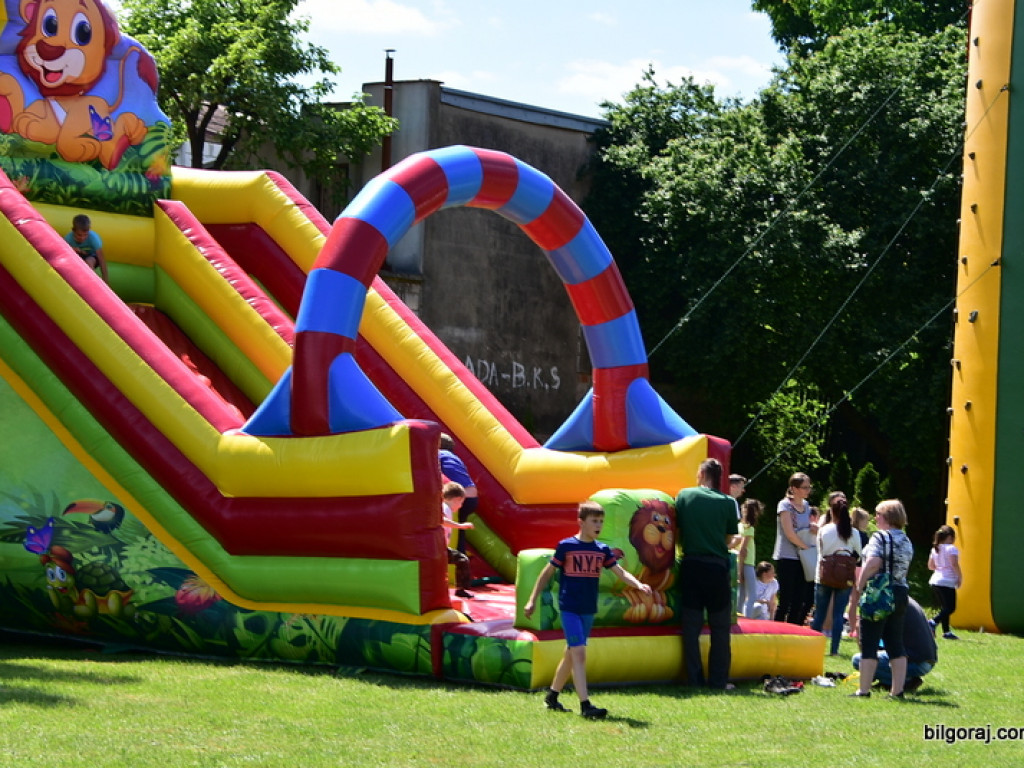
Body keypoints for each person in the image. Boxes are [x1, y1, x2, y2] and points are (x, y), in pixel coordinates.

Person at [523, 501, 651, 718]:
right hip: (570, 607)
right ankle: (585, 705)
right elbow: (546, 574)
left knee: (571, 654)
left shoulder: (601, 550)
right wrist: (532, 600)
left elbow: (620, 572)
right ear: (581, 522)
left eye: (601, 521)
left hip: (588, 609)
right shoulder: (567, 546)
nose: (598, 525)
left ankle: (552, 696)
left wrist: (638, 585)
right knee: (580, 653)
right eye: (594, 521)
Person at [675, 458, 739, 690]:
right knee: (720, 628)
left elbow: (678, 530)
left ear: (701, 473)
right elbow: (729, 538)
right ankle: (718, 680)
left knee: (691, 628)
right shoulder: (728, 502)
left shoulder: (684, 496)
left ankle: (694, 679)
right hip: (717, 567)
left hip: (691, 565)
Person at [850, 499, 914, 699]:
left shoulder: (880, 537)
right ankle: (897, 691)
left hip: (879, 592)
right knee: (895, 642)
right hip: (900, 591)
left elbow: (873, 562)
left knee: (869, 641)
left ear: (887, 517)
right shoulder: (906, 539)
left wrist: (860, 586)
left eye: (878, 514)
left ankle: (864, 690)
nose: (875, 518)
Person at [810, 493, 862, 655]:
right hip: (844, 577)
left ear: (831, 512)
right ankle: (835, 650)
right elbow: (859, 554)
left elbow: (821, 552)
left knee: (820, 612)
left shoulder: (824, 530)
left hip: (824, 575)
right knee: (839, 614)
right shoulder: (853, 532)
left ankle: (814, 647)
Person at [853, 597, 937, 692]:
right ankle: (894, 682)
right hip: (927, 659)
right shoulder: (901, 598)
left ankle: (904, 682)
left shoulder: (880, 601)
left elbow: (869, 647)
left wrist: (859, 628)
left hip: (915, 662)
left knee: (857, 660)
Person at [772, 472, 817, 625]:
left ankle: (793, 631)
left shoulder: (806, 506)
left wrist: (813, 528)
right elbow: (790, 534)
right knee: (785, 600)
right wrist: (807, 548)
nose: (808, 490)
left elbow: (805, 528)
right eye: (805, 487)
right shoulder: (784, 505)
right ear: (794, 488)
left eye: (809, 487)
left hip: (803, 559)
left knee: (799, 600)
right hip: (787, 557)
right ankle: (776, 633)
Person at [438, 433, 477, 553]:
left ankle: (454, 557)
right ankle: (459, 556)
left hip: (460, 496)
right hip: (470, 496)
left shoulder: (440, 454)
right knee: (458, 532)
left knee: (449, 527)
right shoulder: (453, 457)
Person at [441, 482, 475, 599]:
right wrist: (460, 526)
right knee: (462, 560)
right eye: (461, 503)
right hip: (437, 549)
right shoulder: (444, 507)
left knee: (462, 560)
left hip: (441, 549)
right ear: (457, 499)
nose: (460, 506)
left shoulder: (445, 508)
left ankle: (461, 589)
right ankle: (460, 589)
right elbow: (441, 519)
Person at [928, 524, 962, 640]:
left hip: (935, 580)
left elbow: (931, 566)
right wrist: (959, 576)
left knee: (945, 607)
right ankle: (932, 622)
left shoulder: (935, 549)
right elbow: (954, 564)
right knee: (951, 607)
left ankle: (946, 631)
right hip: (947, 581)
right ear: (951, 537)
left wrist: (940, 566)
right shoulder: (951, 549)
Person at [845, 506, 872, 641]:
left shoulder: (848, 533)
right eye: (866, 520)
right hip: (860, 568)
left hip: (849, 567)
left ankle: (851, 626)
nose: (867, 523)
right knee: (857, 599)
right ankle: (856, 628)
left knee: (851, 599)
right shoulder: (863, 536)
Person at [736, 498, 764, 617]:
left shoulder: (739, 526)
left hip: (740, 562)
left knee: (740, 593)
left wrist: (739, 569)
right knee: (751, 594)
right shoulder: (749, 528)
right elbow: (743, 550)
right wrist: (741, 570)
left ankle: (737, 616)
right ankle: (747, 618)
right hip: (747, 564)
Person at [64, 214, 108, 282]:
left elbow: (101, 260)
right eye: (79, 235)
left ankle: (95, 283)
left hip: (92, 257)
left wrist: (105, 280)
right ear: (73, 230)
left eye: (85, 235)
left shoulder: (93, 238)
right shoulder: (68, 239)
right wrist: (73, 249)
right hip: (78, 257)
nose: (82, 238)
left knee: (89, 261)